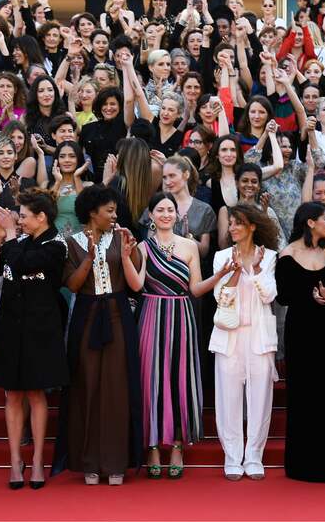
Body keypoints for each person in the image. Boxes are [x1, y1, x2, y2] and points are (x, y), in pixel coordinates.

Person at [125, 192, 229, 479]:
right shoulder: (143, 248)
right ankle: (153, 447)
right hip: (151, 315)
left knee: (179, 381)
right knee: (151, 381)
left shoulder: (190, 247)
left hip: (182, 316)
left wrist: (219, 276)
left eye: (170, 209)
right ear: (151, 215)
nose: (166, 214)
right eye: (160, 210)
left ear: (178, 215)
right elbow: (135, 284)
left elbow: (195, 289)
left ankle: (178, 447)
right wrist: (126, 255)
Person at [54, 185, 144, 485]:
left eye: (115, 210)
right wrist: (90, 257)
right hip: (87, 316)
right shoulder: (71, 243)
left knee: (118, 388)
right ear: (92, 212)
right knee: (86, 386)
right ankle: (89, 462)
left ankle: (117, 462)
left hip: (118, 315)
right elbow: (73, 285)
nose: (114, 215)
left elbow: (135, 283)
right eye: (109, 210)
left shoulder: (123, 238)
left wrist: (130, 252)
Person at [0, 189, 69, 490]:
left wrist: (9, 235)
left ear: (41, 217)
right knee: (12, 394)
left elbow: (23, 264)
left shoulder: (57, 245)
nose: (19, 221)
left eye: (23, 216)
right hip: (11, 325)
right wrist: (1, 237)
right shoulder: (16, 242)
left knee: (36, 394)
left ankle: (35, 460)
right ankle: (14, 461)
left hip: (40, 328)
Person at [210, 204, 279, 481]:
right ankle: (232, 456)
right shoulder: (221, 257)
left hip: (259, 336)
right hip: (229, 335)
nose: (233, 227)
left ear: (252, 226)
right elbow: (220, 297)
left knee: (260, 398)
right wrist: (236, 272)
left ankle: (253, 456)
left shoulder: (270, 256)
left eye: (239, 223)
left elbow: (269, 296)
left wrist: (259, 269)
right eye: (231, 223)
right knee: (228, 397)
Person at [277, 202, 325, 482]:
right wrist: (312, 297)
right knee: (302, 393)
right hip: (301, 331)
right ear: (310, 222)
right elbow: (283, 296)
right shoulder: (287, 254)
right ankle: (302, 463)